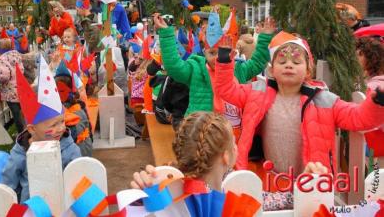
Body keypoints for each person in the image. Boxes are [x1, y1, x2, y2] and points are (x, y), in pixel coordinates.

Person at [214, 32, 384, 208]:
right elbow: (227, 90)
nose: (289, 65)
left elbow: (358, 118)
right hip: (270, 179)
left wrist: (376, 104)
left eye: (296, 62)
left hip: (310, 183)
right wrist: (225, 59)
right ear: (271, 70)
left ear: (308, 70)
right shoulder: (257, 93)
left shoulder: (324, 100)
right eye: (282, 61)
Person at [131, 112, 330, 211]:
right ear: (227, 155)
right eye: (234, 143)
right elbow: (283, 201)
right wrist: (307, 184)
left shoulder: (167, 192)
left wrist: (141, 196)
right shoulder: (240, 195)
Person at [153, 13, 274, 118]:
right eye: (212, 53)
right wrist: (166, 34)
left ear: (232, 52)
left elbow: (258, 62)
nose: (217, 57)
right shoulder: (196, 69)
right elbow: (174, 67)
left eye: (222, 52)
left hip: (230, 131)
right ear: (204, 53)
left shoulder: (238, 69)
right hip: (200, 129)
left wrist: (264, 39)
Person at [1, 58, 81, 202]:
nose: (61, 128)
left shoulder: (70, 149)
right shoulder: (20, 152)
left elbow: (79, 180)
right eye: (53, 125)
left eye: (62, 121)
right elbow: (9, 186)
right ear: (32, 129)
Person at [54, 61, 93, 157]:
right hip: (87, 147)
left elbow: (72, 137)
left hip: (79, 153)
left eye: (61, 91)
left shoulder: (72, 114)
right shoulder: (80, 105)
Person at [355, 37, 384, 159]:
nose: (355, 59)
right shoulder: (368, 82)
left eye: (360, 55)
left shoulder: (373, 86)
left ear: (372, 59)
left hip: (374, 143)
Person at [0, 38, 26, 133]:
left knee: (16, 114)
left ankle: (21, 133)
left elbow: (4, 76)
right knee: (23, 112)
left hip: (10, 91)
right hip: (20, 87)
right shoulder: (16, 56)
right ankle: (28, 129)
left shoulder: (3, 60)